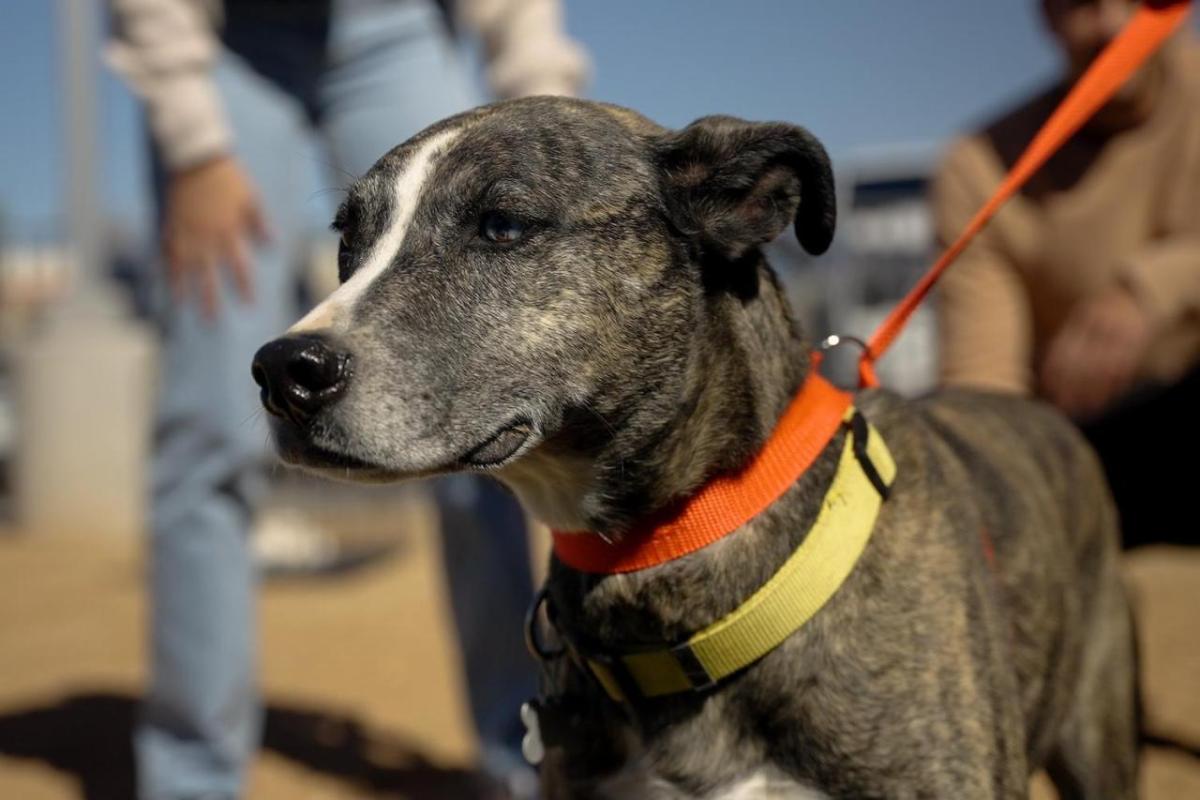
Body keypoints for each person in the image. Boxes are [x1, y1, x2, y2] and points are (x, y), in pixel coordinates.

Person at [104, 1, 589, 798]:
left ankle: (521, 757)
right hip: (225, 43)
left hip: (398, 27)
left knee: (480, 417)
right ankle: (189, 777)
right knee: (209, 428)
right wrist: (193, 147)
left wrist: (549, 104)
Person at [931, 0, 1199, 550]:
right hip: (1090, 452)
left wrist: (1151, 289)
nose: (1111, 25)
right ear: (1046, 17)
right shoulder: (981, 167)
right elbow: (986, 393)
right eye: (1081, 3)